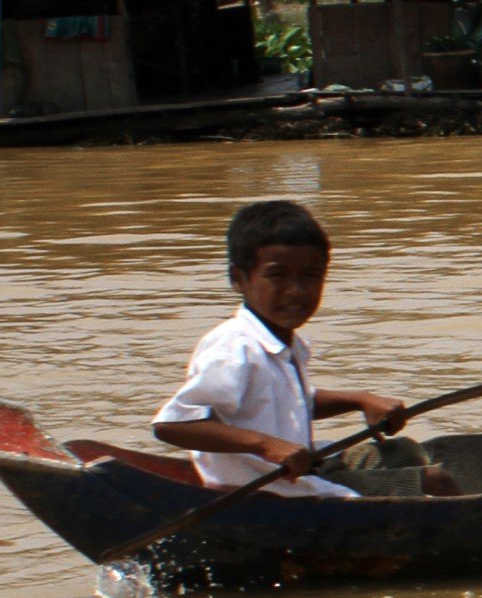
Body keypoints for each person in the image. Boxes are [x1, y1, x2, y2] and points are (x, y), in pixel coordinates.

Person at [151, 199, 422, 498]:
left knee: (404, 453)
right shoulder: (234, 347)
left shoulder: (284, 343)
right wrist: (266, 446)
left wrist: (360, 400)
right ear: (238, 279)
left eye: (311, 276)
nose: (296, 290)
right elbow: (173, 424)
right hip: (272, 493)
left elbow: (290, 403)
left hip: (303, 472)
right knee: (434, 482)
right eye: (277, 275)